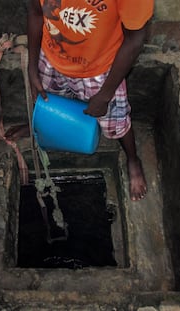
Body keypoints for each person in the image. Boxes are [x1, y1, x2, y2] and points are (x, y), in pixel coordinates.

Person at [14, 0, 153, 201]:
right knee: (48, 105)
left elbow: (135, 38)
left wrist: (106, 94)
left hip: (102, 70)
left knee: (116, 121)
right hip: (52, 57)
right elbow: (36, 11)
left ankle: (132, 159)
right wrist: (32, 67)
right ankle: (36, 127)